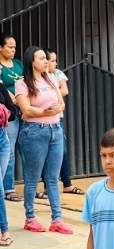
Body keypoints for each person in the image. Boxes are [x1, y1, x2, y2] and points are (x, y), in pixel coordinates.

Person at [15, 46, 72, 234]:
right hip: (34, 132)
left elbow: (61, 101)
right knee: (32, 179)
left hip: (55, 130)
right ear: (32, 61)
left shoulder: (51, 79)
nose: (45, 61)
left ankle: (57, 219)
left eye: (45, 58)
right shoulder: (22, 83)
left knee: (52, 179)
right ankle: (30, 218)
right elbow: (27, 109)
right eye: (41, 58)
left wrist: (57, 109)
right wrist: (47, 111)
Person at [39, 48, 84, 198]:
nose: (54, 63)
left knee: (62, 151)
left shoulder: (57, 74)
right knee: (45, 153)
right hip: (42, 119)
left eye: (54, 61)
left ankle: (67, 184)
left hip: (57, 118)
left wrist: (49, 90)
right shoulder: (38, 76)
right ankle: (47, 187)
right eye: (52, 60)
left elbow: (64, 90)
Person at [0, 33, 23, 203]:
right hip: (9, 111)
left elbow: (25, 82)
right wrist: (13, 99)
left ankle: (30, 187)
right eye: (10, 47)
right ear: (0, 48)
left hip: (24, 109)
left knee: (24, 148)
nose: (14, 50)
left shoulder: (17, 64)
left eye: (15, 47)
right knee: (8, 148)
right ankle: (8, 188)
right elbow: (2, 88)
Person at [0, 79, 17, 246]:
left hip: (2, 138)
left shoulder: (0, 85)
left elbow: (12, 113)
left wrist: (2, 112)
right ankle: (5, 230)